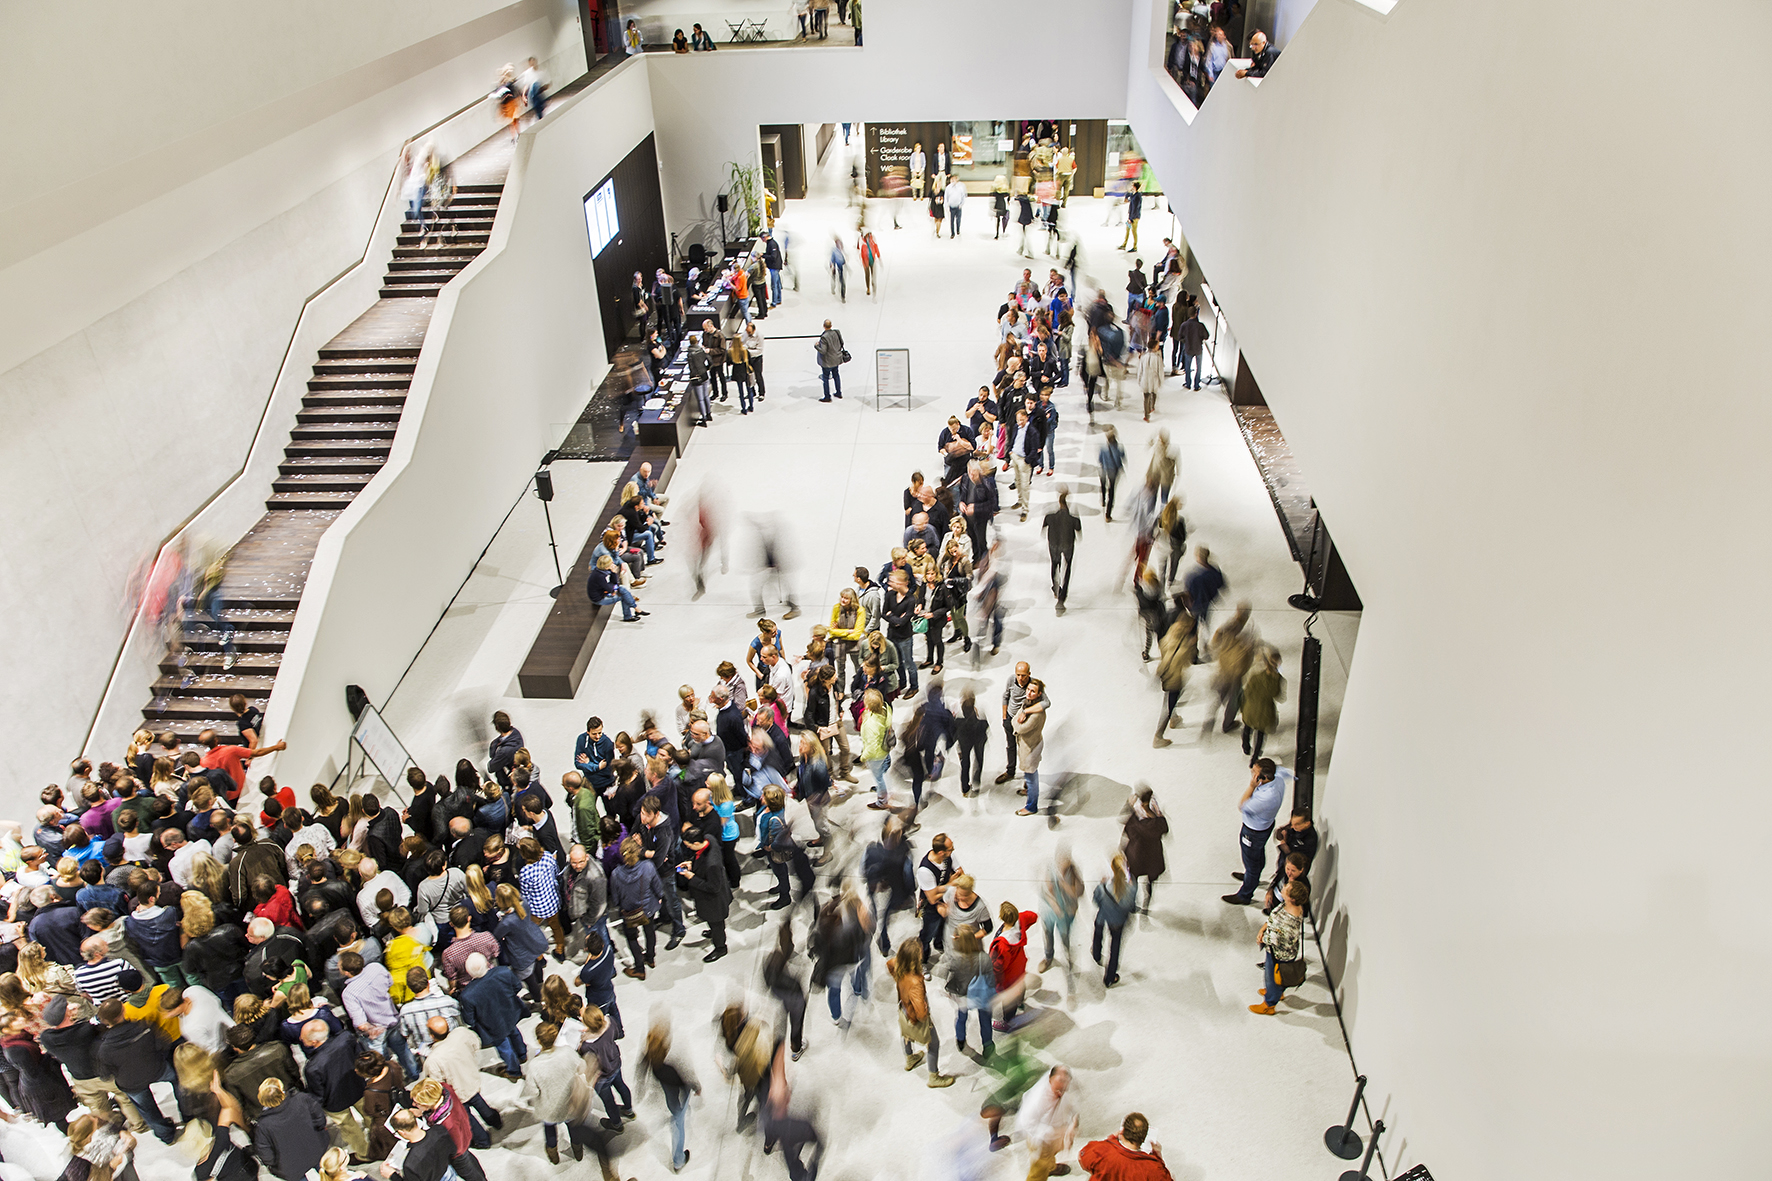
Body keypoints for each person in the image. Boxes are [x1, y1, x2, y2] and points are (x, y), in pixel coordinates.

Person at [1224, 758, 1292, 905]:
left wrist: (1251, 786)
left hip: (1253, 832)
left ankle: (1245, 894)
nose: (1252, 773)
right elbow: (1286, 772)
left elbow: (1242, 805)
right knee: (1256, 856)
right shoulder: (1278, 779)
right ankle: (1251, 875)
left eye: (1254, 772)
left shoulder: (1266, 797)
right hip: (1265, 827)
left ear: (1264, 777)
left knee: (1251, 860)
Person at [640, 1020, 700, 1172]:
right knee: (678, 1124)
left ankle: (675, 1111)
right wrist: (696, 1087)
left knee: (672, 1104)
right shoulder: (671, 1068)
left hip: (669, 1092)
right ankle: (678, 1160)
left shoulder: (650, 1059)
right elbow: (686, 1080)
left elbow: (640, 1071)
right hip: (679, 1096)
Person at [254, 1078, 330, 1181]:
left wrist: (276, 1165)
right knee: (329, 1173)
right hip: (316, 1147)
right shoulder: (302, 1098)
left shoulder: (263, 1125)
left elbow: (266, 1154)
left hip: (290, 1166)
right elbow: (320, 1120)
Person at [1251, 879, 1309, 1015]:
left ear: (1291, 898)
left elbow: (1276, 939)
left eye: (1286, 888)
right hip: (1277, 950)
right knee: (1277, 977)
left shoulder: (1289, 922)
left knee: (1272, 977)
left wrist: (1262, 938)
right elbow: (1273, 918)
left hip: (1279, 954)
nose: (1283, 888)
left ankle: (1269, 1003)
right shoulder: (1288, 906)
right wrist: (1263, 929)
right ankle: (1276, 992)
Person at [1018, 1065, 1080, 1180]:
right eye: (1060, 1081)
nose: (1064, 1085)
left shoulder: (1064, 1090)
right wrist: (1056, 1132)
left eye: (1067, 1081)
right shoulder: (1037, 1100)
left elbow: (1072, 1107)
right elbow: (1027, 1123)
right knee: (1038, 1171)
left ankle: (1051, 1167)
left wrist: (1073, 1124)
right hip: (1041, 1140)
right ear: (1050, 1079)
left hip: (1054, 1136)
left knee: (1052, 1154)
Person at [1079, 1112, 1175, 1180]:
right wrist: (1158, 1156)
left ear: (1122, 1131)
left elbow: (1082, 1158)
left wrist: (1110, 1139)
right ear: (1144, 1138)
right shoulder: (1153, 1168)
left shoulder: (1100, 1150)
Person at [1092, 855, 1137, 988]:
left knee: (1098, 933)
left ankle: (1096, 954)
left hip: (1103, 916)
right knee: (1115, 946)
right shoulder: (1131, 888)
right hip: (1118, 922)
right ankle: (1110, 977)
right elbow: (1131, 907)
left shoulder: (1104, 887)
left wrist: (1101, 884)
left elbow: (1096, 901)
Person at [1239, 647, 1286, 758]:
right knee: (1261, 735)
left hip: (1250, 708)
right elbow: (1276, 694)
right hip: (1265, 711)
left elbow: (1247, 691)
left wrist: (1243, 706)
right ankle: (1255, 757)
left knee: (1247, 728)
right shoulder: (1278, 679)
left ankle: (1246, 746)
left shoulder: (1256, 675)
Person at [1012, 680, 1048, 818]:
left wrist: (1017, 719)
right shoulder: (1028, 704)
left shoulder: (1037, 714)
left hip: (1031, 749)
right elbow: (1018, 716)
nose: (1028, 693)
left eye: (1033, 691)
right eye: (1028, 689)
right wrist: (1019, 715)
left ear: (1039, 694)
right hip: (1029, 746)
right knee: (1029, 775)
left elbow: (1020, 727)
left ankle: (1031, 806)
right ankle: (1028, 790)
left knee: (1031, 776)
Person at [1042, 488, 1081, 611]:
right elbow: (1079, 531)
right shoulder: (1073, 519)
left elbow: (1044, 527)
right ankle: (1062, 599)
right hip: (1068, 544)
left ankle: (1055, 587)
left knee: (1055, 564)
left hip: (1054, 544)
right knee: (1067, 568)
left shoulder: (1050, 517)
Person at [1174, 305, 1209, 388]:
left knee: (1187, 367)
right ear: (1196, 314)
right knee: (1198, 367)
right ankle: (1196, 385)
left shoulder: (1184, 325)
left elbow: (1180, 337)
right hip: (1198, 348)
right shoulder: (1200, 325)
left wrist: (1185, 341)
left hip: (1188, 348)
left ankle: (1188, 384)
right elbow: (1206, 336)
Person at [816, 319, 846, 401]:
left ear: (824, 326)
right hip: (836, 359)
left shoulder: (824, 337)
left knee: (825, 378)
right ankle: (838, 392)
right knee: (836, 375)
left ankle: (827, 397)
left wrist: (816, 346)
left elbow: (823, 351)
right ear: (831, 325)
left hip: (827, 361)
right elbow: (841, 343)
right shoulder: (837, 332)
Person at [1119, 180, 1143, 252]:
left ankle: (1135, 247)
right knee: (1127, 230)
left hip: (1134, 217)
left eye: (1132, 186)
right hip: (1130, 216)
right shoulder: (1133, 195)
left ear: (1135, 187)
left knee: (1134, 232)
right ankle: (1124, 244)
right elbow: (1128, 196)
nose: (1131, 187)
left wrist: (1131, 218)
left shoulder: (1138, 196)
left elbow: (1136, 208)